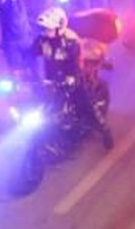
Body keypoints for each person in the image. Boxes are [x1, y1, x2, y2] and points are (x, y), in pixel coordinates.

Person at [30, 8, 112, 149]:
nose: (45, 31)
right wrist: (19, 70)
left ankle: (105, 130)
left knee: (85, 103)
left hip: (72, 77)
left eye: (49, 29)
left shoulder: (70, 41)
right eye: (44, 28)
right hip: (50, 78)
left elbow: (74, 64)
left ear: (59, 28)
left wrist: (70, 79)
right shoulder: (42, 39)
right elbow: (30, 55)